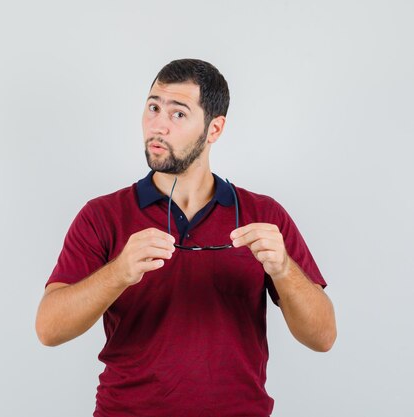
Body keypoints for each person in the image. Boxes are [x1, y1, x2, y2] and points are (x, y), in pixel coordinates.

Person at [35, 59, 337, 417]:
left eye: (178, 114)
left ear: (214, 129)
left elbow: (323, 337)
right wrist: (118, 273)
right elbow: (48, 328)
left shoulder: (264, 214)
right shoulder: (102, 215)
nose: (158, 125)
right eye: (153, 107)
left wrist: (285, 270)